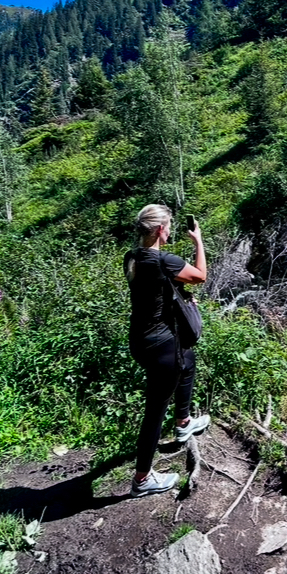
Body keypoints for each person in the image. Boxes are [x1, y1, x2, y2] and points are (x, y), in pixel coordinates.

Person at [123, 203, 210, 497]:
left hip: (141, 338)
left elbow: (155, 290)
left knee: (188, 358)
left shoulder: (133, 257)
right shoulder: (163, 260)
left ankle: (184, 422)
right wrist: (198, 240)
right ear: (161, 230)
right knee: (154, 412)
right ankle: (142, 479)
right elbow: (200, 275)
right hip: (161, 345)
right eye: (169, 225)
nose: (171, 230)